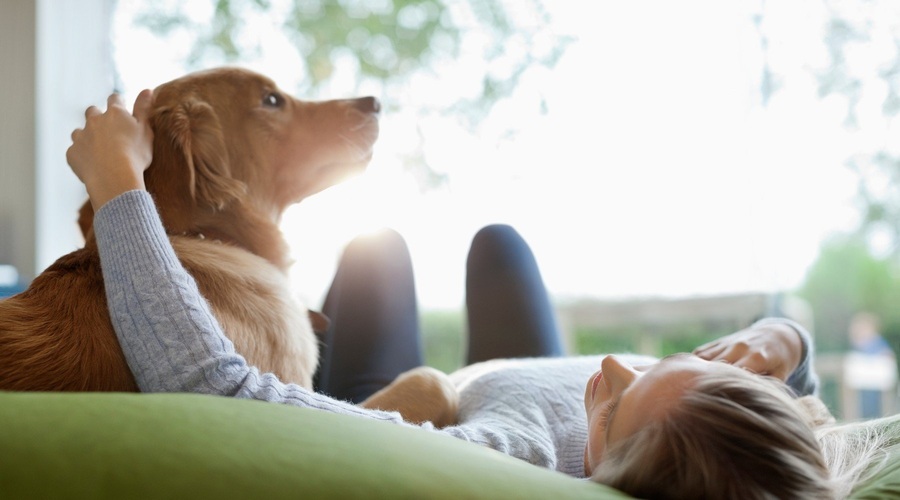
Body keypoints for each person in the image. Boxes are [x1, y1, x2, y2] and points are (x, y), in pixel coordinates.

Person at [68, 91, 883, 499]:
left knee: (375, 250)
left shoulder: (514, 459)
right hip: (523, 366)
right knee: (499, 242)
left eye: (610, 415)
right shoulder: (742, 424)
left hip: (436, 404)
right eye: (673, 363)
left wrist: (117, 190)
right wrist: (784, 339)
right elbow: (795, 408)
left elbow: (217, 390)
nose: (615, 365)